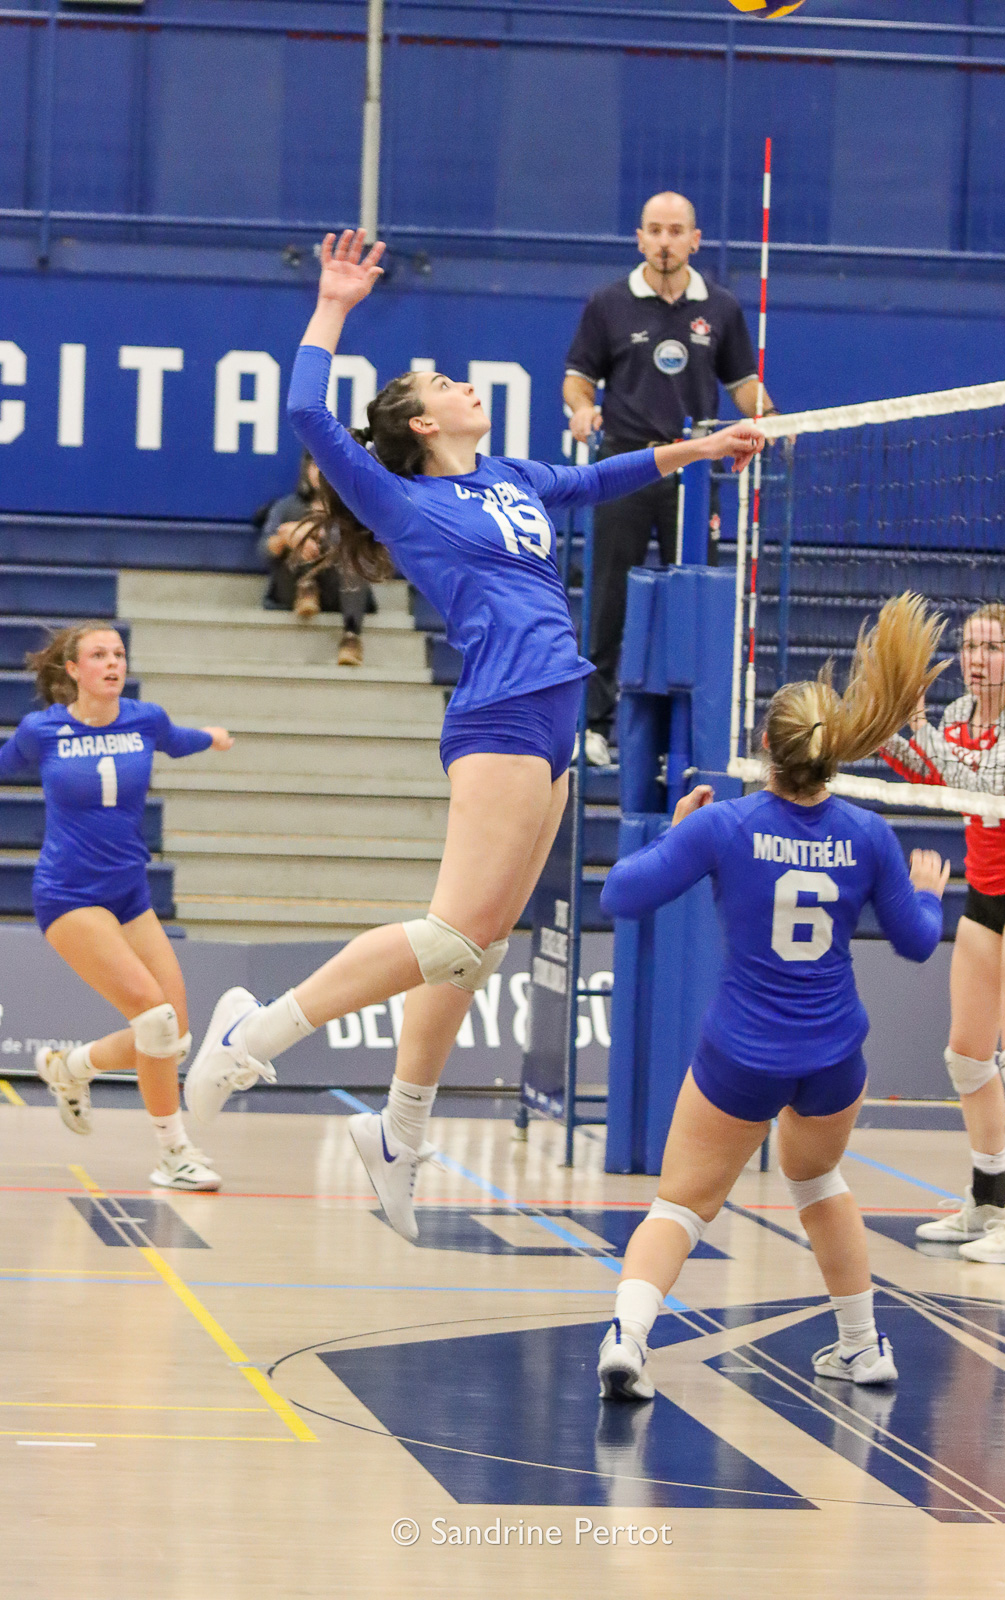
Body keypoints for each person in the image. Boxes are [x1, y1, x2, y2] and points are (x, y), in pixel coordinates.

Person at [184, 227, 765, 1241]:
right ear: (420, 421)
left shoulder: (510, 477)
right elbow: (308, 411)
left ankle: (398, 1133)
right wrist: (333, 305)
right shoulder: (400, 497)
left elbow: (601, 479)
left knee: (476, 952)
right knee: (453, 934)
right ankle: (251, 1034)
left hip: (555, 708)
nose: (463, 385)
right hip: (500, 709)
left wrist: (700, 449)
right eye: (444, 383)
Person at [595, 594, 949, 1401]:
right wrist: (929, 893)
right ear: (833, 754)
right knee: (818, 1184)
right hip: (832, 1057)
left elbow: (620, 895)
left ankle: (628, 1340)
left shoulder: (724, 825)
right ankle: (862, 1347)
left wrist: (672, 831)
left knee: (681, 1205)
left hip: (742, 1053)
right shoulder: (869, 834)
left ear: (766, 749)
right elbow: (917, 941)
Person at [0, 623, 234, 1190]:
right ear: (73, 670)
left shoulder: (144, 719)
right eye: (99, 655)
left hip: (130, 893)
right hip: (68, 894)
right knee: (154, 1020)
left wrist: (211, 737)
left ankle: (69, 1067)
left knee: (174, 1036)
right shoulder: (42, 730)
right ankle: (173, 1153)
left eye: (119, 654)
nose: (113, 663)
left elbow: (177, 739)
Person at [563, 190, 783, 765]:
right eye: (655, 230)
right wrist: (582, 409)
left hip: (693, 473)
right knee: (608, 600)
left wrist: (770, 415)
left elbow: (743, 386)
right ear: (640, 239)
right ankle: (594, 727)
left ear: (695, 240)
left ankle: (686, 738)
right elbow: (578, 378)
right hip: (625, 469)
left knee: (693, 597)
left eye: (675, 230)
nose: (665, 241)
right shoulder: (608, 303)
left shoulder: (722, 308)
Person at [882, 602, 1005, 1264]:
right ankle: (987, 1200)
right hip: (986, 888)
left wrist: (918, 727)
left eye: (991, 649)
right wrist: (884, 728)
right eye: (969, 647)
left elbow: (981, 784)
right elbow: (932, 775)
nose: (977, 660)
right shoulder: (959, 714)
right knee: (966, 1055)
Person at [259, 450, 377, 666]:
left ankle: (351, 637)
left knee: (352, 552)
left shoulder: (353, 509)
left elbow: (372, 555)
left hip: (340, 590)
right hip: (292, 586)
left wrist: (328, 535)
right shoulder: (287, 506)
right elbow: (265, 549)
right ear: (306, 470)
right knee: (300, 529)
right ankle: (307, 588)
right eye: (315, 466)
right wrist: (288, 537)